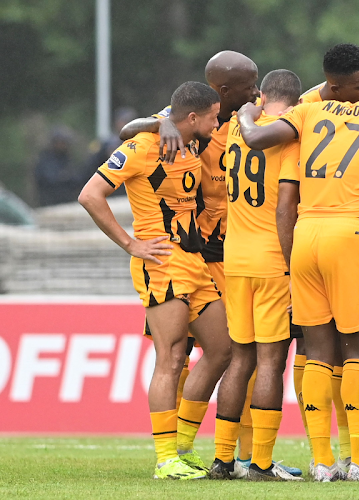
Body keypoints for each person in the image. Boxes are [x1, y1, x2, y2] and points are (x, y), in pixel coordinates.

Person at [241, 43, 359, 482]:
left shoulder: (307, 113)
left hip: (305, 237)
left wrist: (246, 113)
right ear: (342, 85)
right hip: (350, 235)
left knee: (316, 352)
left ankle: (321, 461)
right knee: (357, 351)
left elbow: (256, 137)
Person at [119, 51, 286, 472]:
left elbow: (295, 102)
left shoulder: (250, 119)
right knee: (176, 357)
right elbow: (129, 130)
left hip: (230, 255)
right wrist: (165, 122)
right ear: (223, 91)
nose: (257, 92)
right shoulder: (191, 119)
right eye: (250, 85)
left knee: (234, 354)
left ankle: (237, 454)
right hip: (190, 253)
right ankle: (169, 453)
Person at [78, 81, 230, 480]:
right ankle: (166, 459)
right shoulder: (142, 147)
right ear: (194, 117)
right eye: (213, 117)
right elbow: (90, 195)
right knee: (172, 357)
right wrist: (130, 243)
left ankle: (181, 447)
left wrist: (162, 121)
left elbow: (164, 115)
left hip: (194, 261)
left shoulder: (189, 138)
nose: (218, 123)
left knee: (222, 348)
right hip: (160, 262)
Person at [208, 69, 304, 482]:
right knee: (270, 362)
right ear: (297, 105)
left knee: (240, 360)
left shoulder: (235, 127)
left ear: (262, 95)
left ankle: (223, 459)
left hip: (235, 260)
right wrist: (290, 264)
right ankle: (261, 463)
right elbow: (285, 207)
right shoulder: (290, 138)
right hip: (271, 261)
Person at [35, 127, 83, 206]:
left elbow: (76, 178)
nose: (64, 145)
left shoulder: (67, 159)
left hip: (67, 202)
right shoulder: (45, 159)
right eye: (62, 142)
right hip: (49, 202)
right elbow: (48, 179)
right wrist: (64, 177)